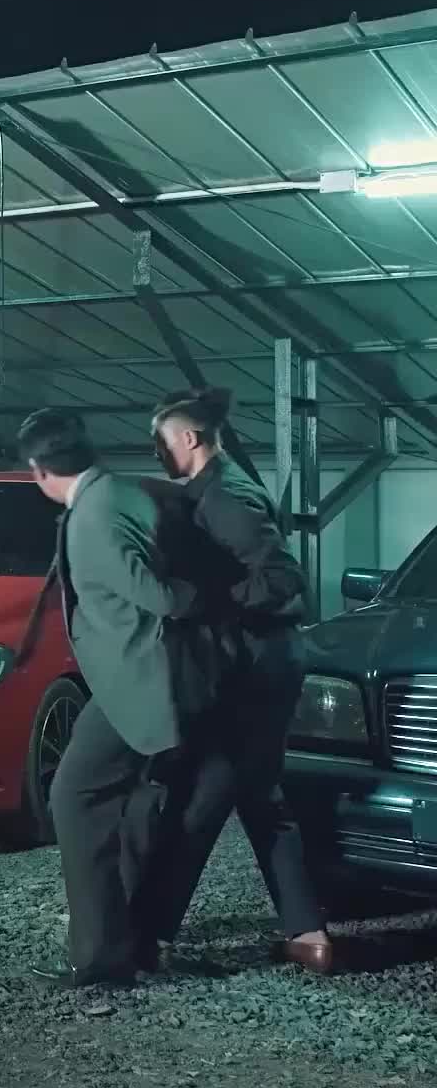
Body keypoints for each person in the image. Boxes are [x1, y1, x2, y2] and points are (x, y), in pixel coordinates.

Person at [16, 407, 219, 990]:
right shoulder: (121, 491)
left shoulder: (93, 516)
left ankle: (101, 956)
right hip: (145, 679)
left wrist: (206, 601)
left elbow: (160, 595)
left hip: (135, 683)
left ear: (38, 469)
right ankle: (130, 939)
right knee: (134, 805)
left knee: (74, 798)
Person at [139, 387, 334, 975]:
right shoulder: (215, 488)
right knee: (260, 796)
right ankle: (308, 935)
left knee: (200, 798)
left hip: (254, 668)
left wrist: (207, 600)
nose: (156, 452)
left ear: (189, 438)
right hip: (265, 661)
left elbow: (282, 578)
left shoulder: (225, 495)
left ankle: (151, 935)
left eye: (161, 440)